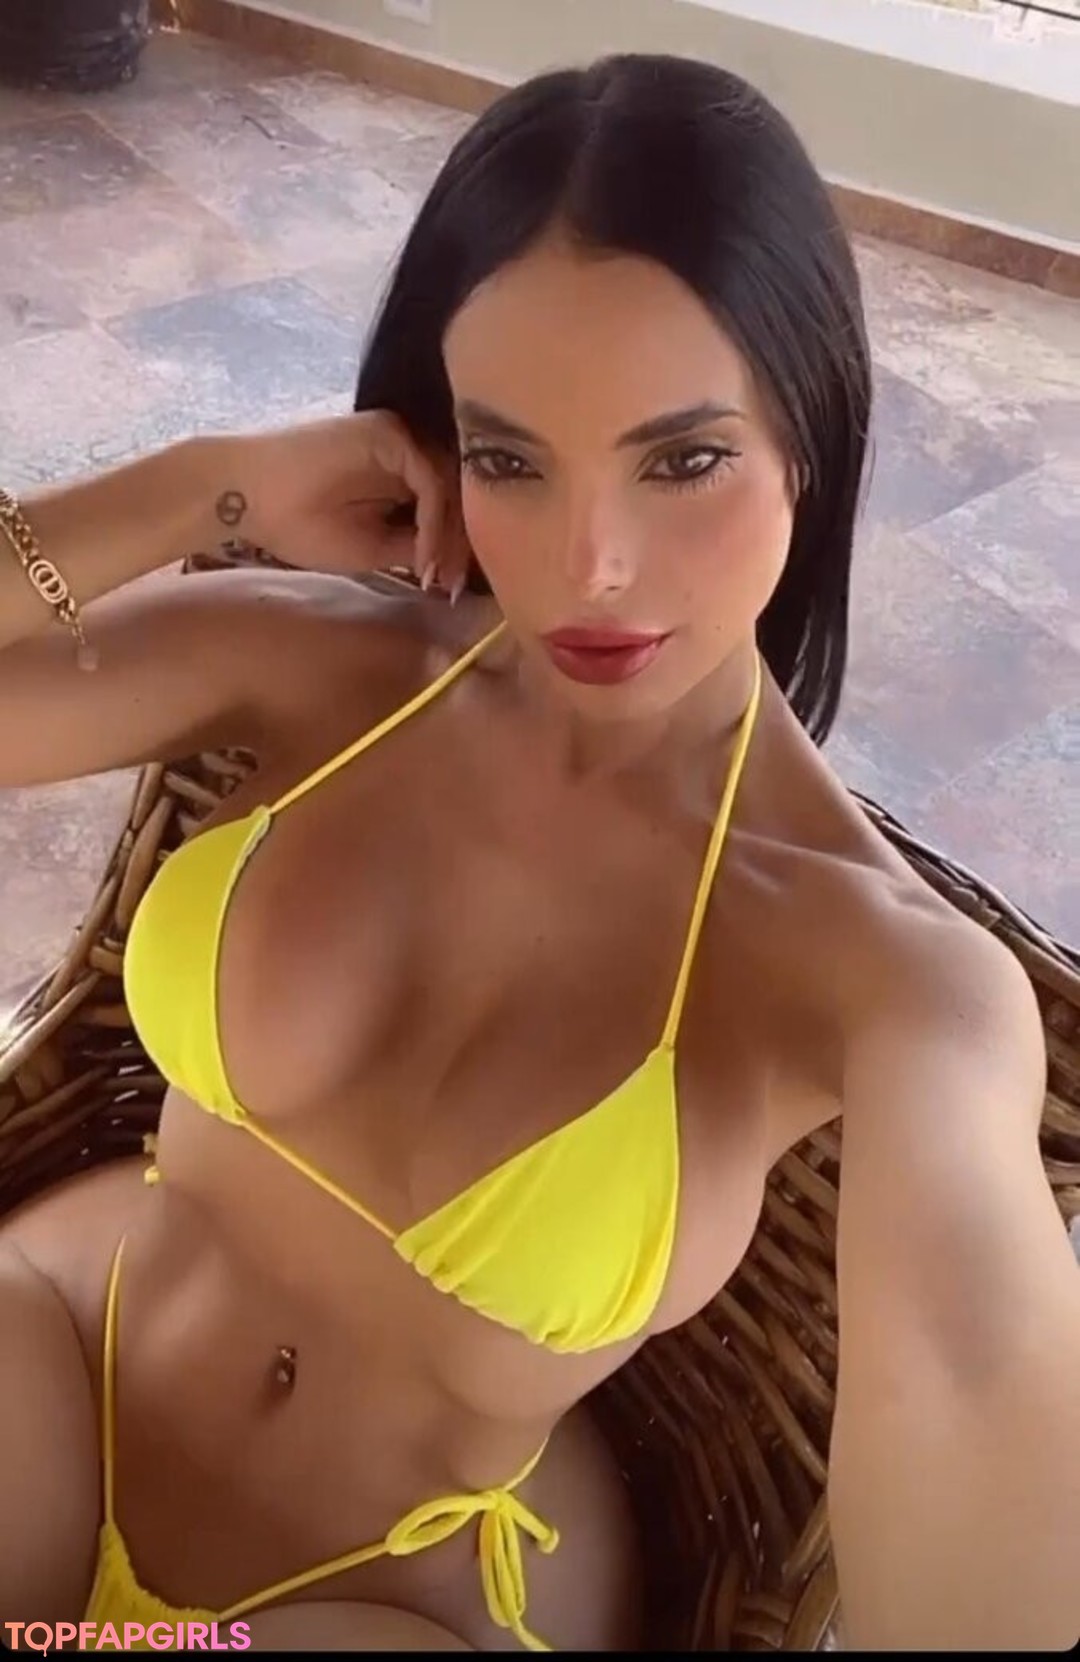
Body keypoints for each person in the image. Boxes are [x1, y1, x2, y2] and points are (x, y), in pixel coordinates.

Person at [0, 50, 1077, 1656]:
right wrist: (209, 484)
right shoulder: (340, 668)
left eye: (683, 458)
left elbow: (983, 1394)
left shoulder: (889, 977)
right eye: (511, 458)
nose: (592, 567)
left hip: (387, 1594)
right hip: (63, 1358)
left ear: (809, 436)